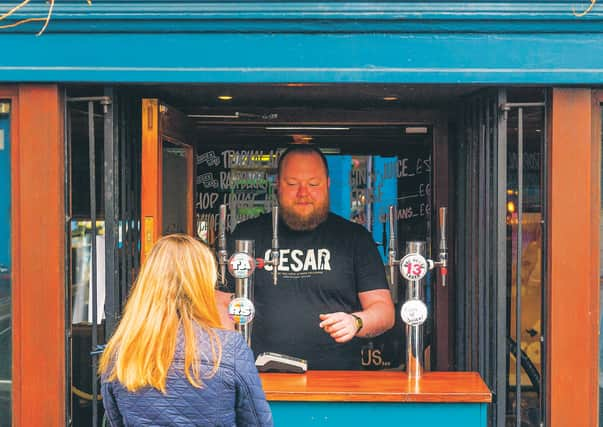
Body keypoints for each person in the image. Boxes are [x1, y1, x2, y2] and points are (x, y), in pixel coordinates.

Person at [217, 145, 395, 370]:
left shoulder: (354, 238)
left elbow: (384, 311)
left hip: (337, 381)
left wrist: (356, 322)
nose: (303, 193)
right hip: (258, 378)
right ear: (278, 186)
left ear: (328, 185)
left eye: (313, 184)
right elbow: (218, 303)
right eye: (292, 184)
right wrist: (235, 356)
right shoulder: (246, 235)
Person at [99, 234, 273, 427]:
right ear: (203, 283)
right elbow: (258, 422)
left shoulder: (121, 350)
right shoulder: (229, 347)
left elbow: (115, 420)